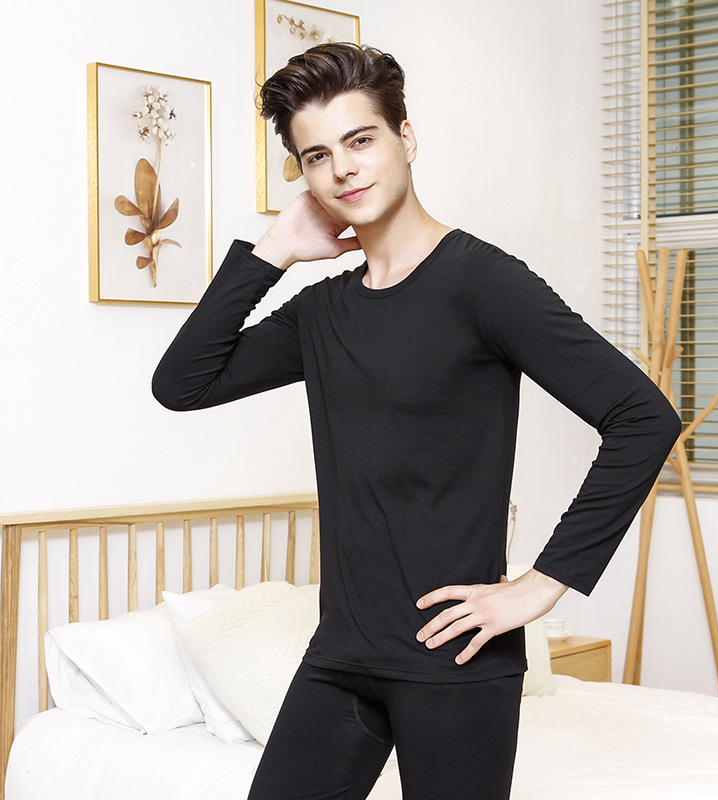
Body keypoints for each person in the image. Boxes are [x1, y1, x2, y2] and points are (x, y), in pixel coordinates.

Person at [152, 42, 681, 800]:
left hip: (454, 660)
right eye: (317, 156)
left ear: (405, 137)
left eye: (360, 140)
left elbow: (642, 417)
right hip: (341, 656)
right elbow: (182, 384)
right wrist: (272, 252)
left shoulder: (483, 282)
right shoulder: (322, 312)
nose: (344, 168)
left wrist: (541, 585)